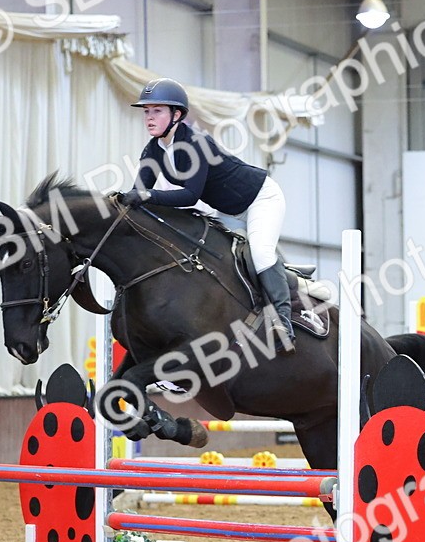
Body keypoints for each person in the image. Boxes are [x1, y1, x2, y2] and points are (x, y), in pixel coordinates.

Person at [121, 78, 296, 351]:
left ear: (176, 115)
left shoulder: (196, 143)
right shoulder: (153, 150)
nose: (149, 118)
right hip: (227, 210)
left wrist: (147, 196)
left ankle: (283, 322)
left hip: (260, 199)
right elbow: (139, 194)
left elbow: (189, 196)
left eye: (157, 111)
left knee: (261, 253)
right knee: (211, 257)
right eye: (146, 111)